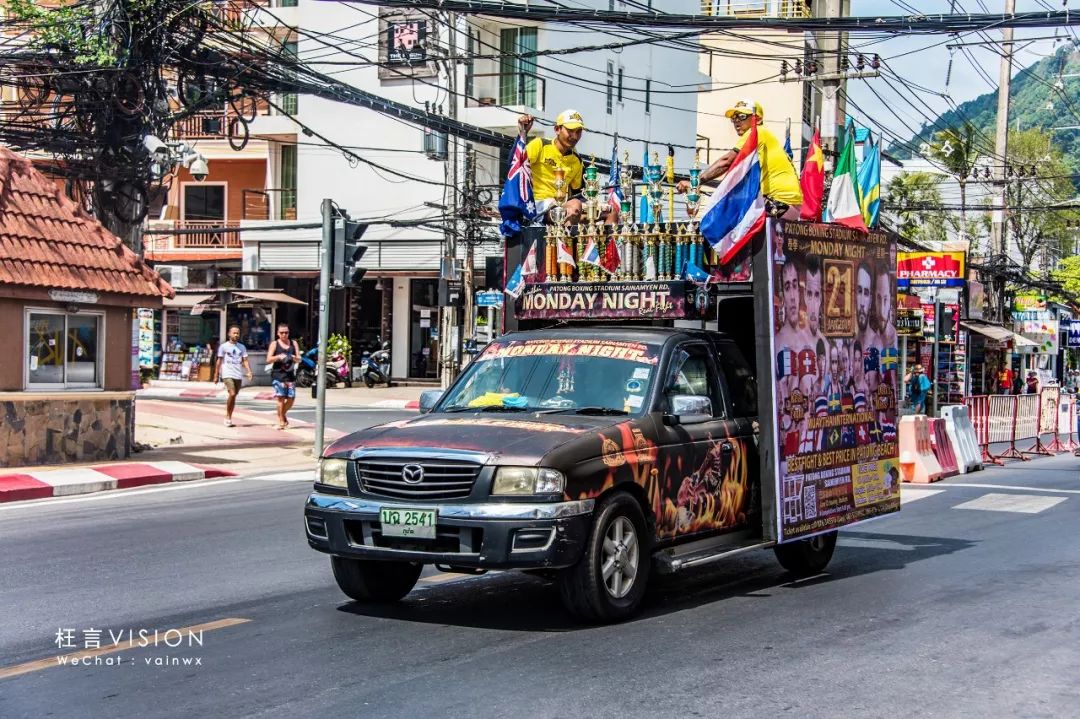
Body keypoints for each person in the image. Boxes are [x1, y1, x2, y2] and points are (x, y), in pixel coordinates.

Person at [676, 99, 803, 220]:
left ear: (757, 119)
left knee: (723, 219)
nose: (737, 121)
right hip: (788, 205)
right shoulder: (765, 137)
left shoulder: (756, 132)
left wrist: (695, 182)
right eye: (734, 118)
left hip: (779, 202)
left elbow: (726, 161)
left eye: (742, 116)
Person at [517, 110, 613, 225]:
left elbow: (580, 194)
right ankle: (566, 242)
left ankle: (602, 243)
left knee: (611, 212)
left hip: (562, 206)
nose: (575, 136)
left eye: (578, 132)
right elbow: (516, 164)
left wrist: (595, 204)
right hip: (536, 205)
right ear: (557, 129)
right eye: (570, 131)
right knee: (574, 207)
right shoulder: (540, 145)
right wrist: (522, 133)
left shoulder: (576, 160)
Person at [213, 325, 253, 427]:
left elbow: (245, 360)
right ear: (229, 334)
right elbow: (219, 361)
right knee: (232, 393)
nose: (236, 335)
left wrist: (249, 371)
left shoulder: (242, 347)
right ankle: (227, 416)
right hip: (227, 374)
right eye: (234, 333)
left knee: (234, 396)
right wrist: (216, 375)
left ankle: (229, 416)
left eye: (237, 333)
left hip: (238, 375)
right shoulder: (224, 347)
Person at [267, 323, 300, 430]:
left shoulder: (293, 343)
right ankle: (281, 420)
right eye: (282, 333)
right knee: (280, 398)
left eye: (286, 332)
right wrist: (278, 357)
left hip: (290, 375)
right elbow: (268, 359)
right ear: (278, 333)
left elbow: (299, 358)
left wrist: (294, 357)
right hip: (278, 375)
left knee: (291, 398)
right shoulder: (275, 344)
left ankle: (282, 414)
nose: (284, 335)